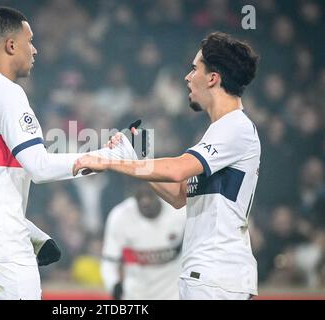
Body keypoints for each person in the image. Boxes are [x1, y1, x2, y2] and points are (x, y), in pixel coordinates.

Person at [0, 6, 136, 300]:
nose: (35, 50)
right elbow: (39, 166)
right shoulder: (6, 91)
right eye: (30, 41)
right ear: (10, 45)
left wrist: (33, 234)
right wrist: (104, 159)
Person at [73, 32, 261, 300]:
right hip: (206, 275)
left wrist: (111, 162)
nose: (187, 76)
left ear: (212, 78)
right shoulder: (221, 130)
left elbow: (177, 170)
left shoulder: (235, 127)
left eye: (194, 68)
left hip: (218, 275)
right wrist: (133, 160)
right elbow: (178, 195)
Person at [101, 182, 186, 300]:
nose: (145, 201)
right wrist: (114, 287)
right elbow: (109, 261)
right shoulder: (120, 216)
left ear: (159, 194)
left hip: (173, 294)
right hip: (135, 296)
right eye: (140, 197)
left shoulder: (180, 211)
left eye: (149, 195)